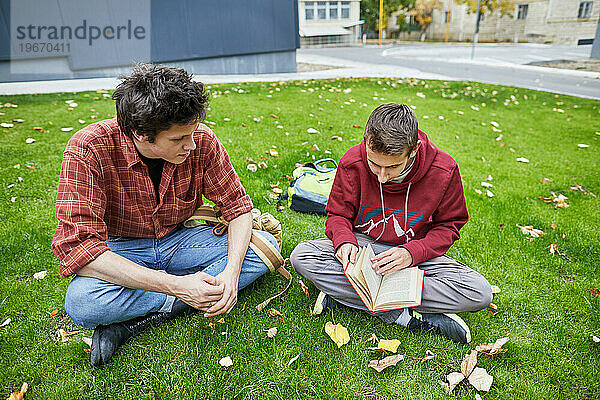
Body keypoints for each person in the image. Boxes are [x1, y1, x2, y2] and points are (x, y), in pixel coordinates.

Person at [52, 64, 279, 366]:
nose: (192, 144)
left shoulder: (203, 141)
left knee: (264, 247)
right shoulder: (88, 148)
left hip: (180, 239)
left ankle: (135, 321)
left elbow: (238, 209)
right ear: (141, 134)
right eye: (178, 139)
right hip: (121, 248)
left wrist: (230, 274)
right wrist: (177, 286)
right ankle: (188, 293)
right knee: (83, 303)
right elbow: (79, 248)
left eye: (193, 132)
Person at [291, 103, 492, 343]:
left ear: (414, 149)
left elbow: (449, 225)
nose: (382, 177)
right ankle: (405, 315)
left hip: (415, 256)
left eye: (393, 166)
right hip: (364, 250)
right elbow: (337, 215)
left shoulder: (444, 170)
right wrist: (344, 242)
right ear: (366, 141)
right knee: (301, 256)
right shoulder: (352, 162)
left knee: (479, 292)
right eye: (374, 164)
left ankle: (346, 296)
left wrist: (411, 253)